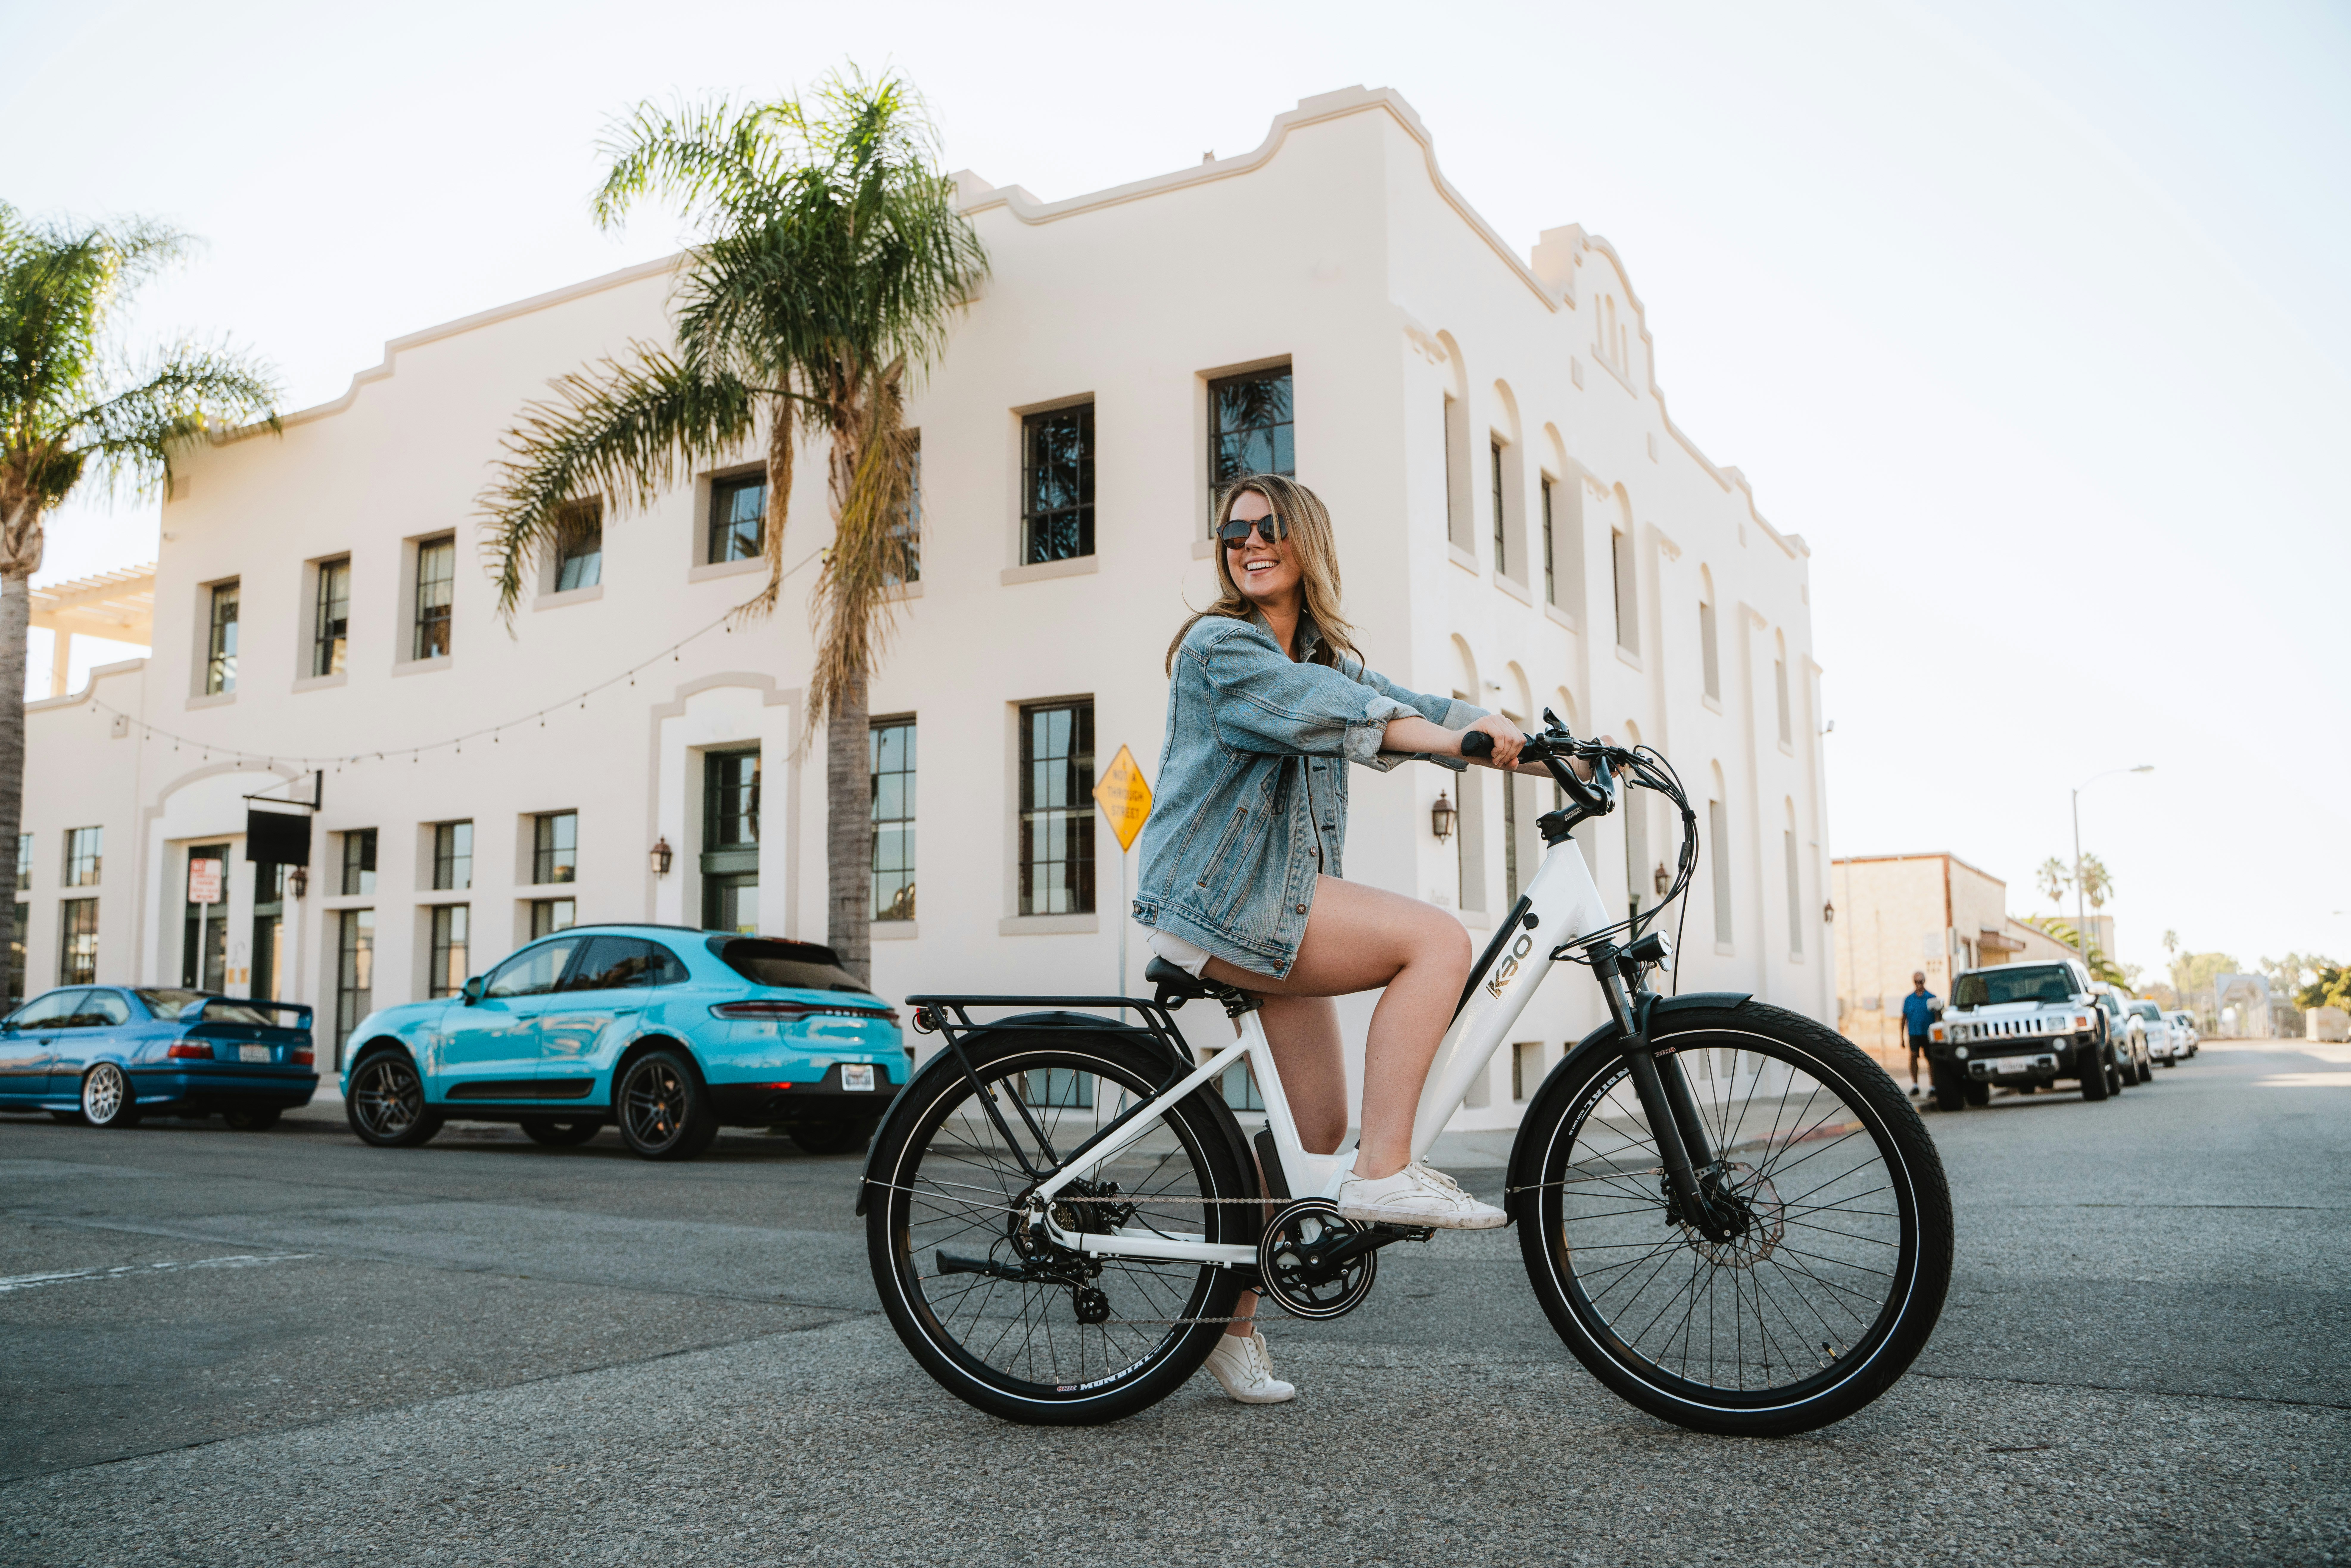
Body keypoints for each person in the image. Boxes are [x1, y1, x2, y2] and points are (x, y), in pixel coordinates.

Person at [1133, 473, 1594, 1405]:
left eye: (1267, 528)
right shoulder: (1219, 648)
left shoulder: (1328, 657)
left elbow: (1407, 699)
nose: (1248, 541)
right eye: (1234, 530)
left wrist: (1545, 750)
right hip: (1224, 901)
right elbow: (1353, 718)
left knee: (1312, 1131)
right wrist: (1450, 744)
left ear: (1304, 541)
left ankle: (1227, 1329)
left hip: (1271, 906)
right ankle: (1386, 1175)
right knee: (1434, 942)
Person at [1901, 971, 1938, 1096]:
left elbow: (1938, 1017)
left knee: (1931, 1059)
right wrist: (1901, 1037)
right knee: (1913, 1056)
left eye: (1921, 982)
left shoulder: (1931, 998)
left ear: (1924, 982)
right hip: (1914, 1033)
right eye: (1916, 982)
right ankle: (1915, 1085)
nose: (1919, 984)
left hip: (1928, 1034)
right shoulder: (1909, 999)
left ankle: (1933, 1086)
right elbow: (1904, 1018)